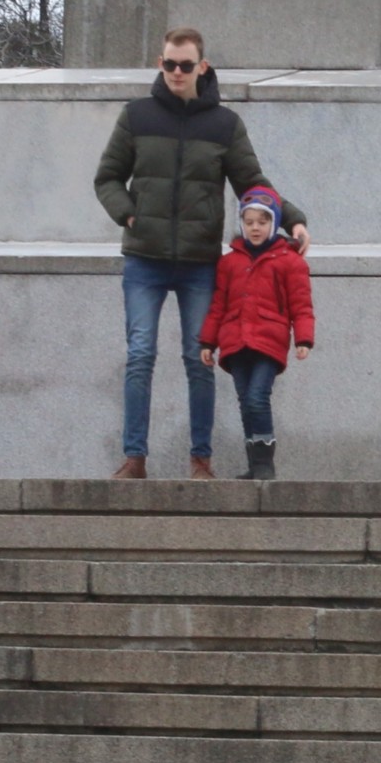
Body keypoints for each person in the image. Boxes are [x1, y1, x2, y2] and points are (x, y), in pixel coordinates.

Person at [91, 25, 309, 481]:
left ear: (202, 67)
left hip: (198, 262)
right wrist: (127, 213)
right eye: (169, 64)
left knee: (199, 358)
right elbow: (107, 177)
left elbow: (252, 182)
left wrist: (291, 218)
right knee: (140, 354)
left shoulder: (223, 125)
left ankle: (200, 461)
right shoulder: (136, 116)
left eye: (185, 65)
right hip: (145, 258)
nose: (176, 72)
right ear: (160, 64)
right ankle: (134, 459)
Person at [197, 184, 314, 481]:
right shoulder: (229, 262)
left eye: (262, 222)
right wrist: (208, 341)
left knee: (257, 398)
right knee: (245, 402)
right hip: (235, 342)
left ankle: (265, 464)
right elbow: (218, 305)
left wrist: (303, 339)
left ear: (274, 223)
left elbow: (301, 305)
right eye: (249, 222)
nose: (255, 228)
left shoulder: (290, 261)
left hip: (268, 342)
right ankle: (254, 462)